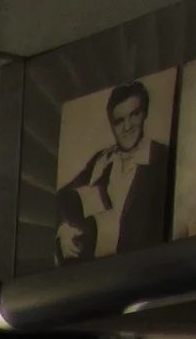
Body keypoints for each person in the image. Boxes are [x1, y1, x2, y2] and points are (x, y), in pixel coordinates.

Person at [61, 79, 171, 260]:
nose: (127, 127)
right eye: (119, 121)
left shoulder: (162, 158)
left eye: (134, 115)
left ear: (145, 113)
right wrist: (64, 229)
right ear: (111, 124)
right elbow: (64, 196)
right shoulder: (102, 160)